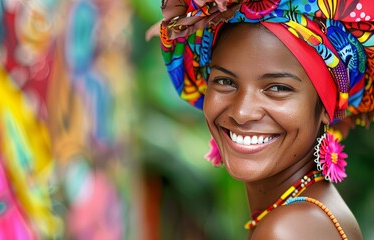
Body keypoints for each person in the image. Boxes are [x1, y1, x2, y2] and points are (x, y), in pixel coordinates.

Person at [159, 0, 374, 239]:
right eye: (225, 82)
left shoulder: (285, 230)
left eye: (278, 88)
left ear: (326, 106)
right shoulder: (310, 214)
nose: (241, 113)